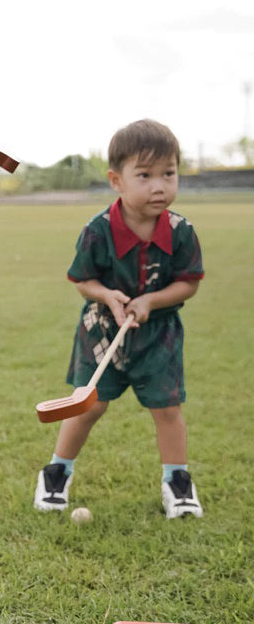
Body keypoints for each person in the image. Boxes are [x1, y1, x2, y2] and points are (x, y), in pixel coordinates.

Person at [33, 119, 204, 519]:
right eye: (144, 175)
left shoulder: (181, 231)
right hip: (102, 332)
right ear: (116, 180)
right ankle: (57, 471)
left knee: (167, 408)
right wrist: (107, 294)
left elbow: (189, 283)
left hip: (158, 335)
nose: (159, 185)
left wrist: (151, 301)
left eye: (168, 174)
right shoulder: (97, 230)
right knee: (89, 405)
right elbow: (82, 281)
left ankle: (177, 481)